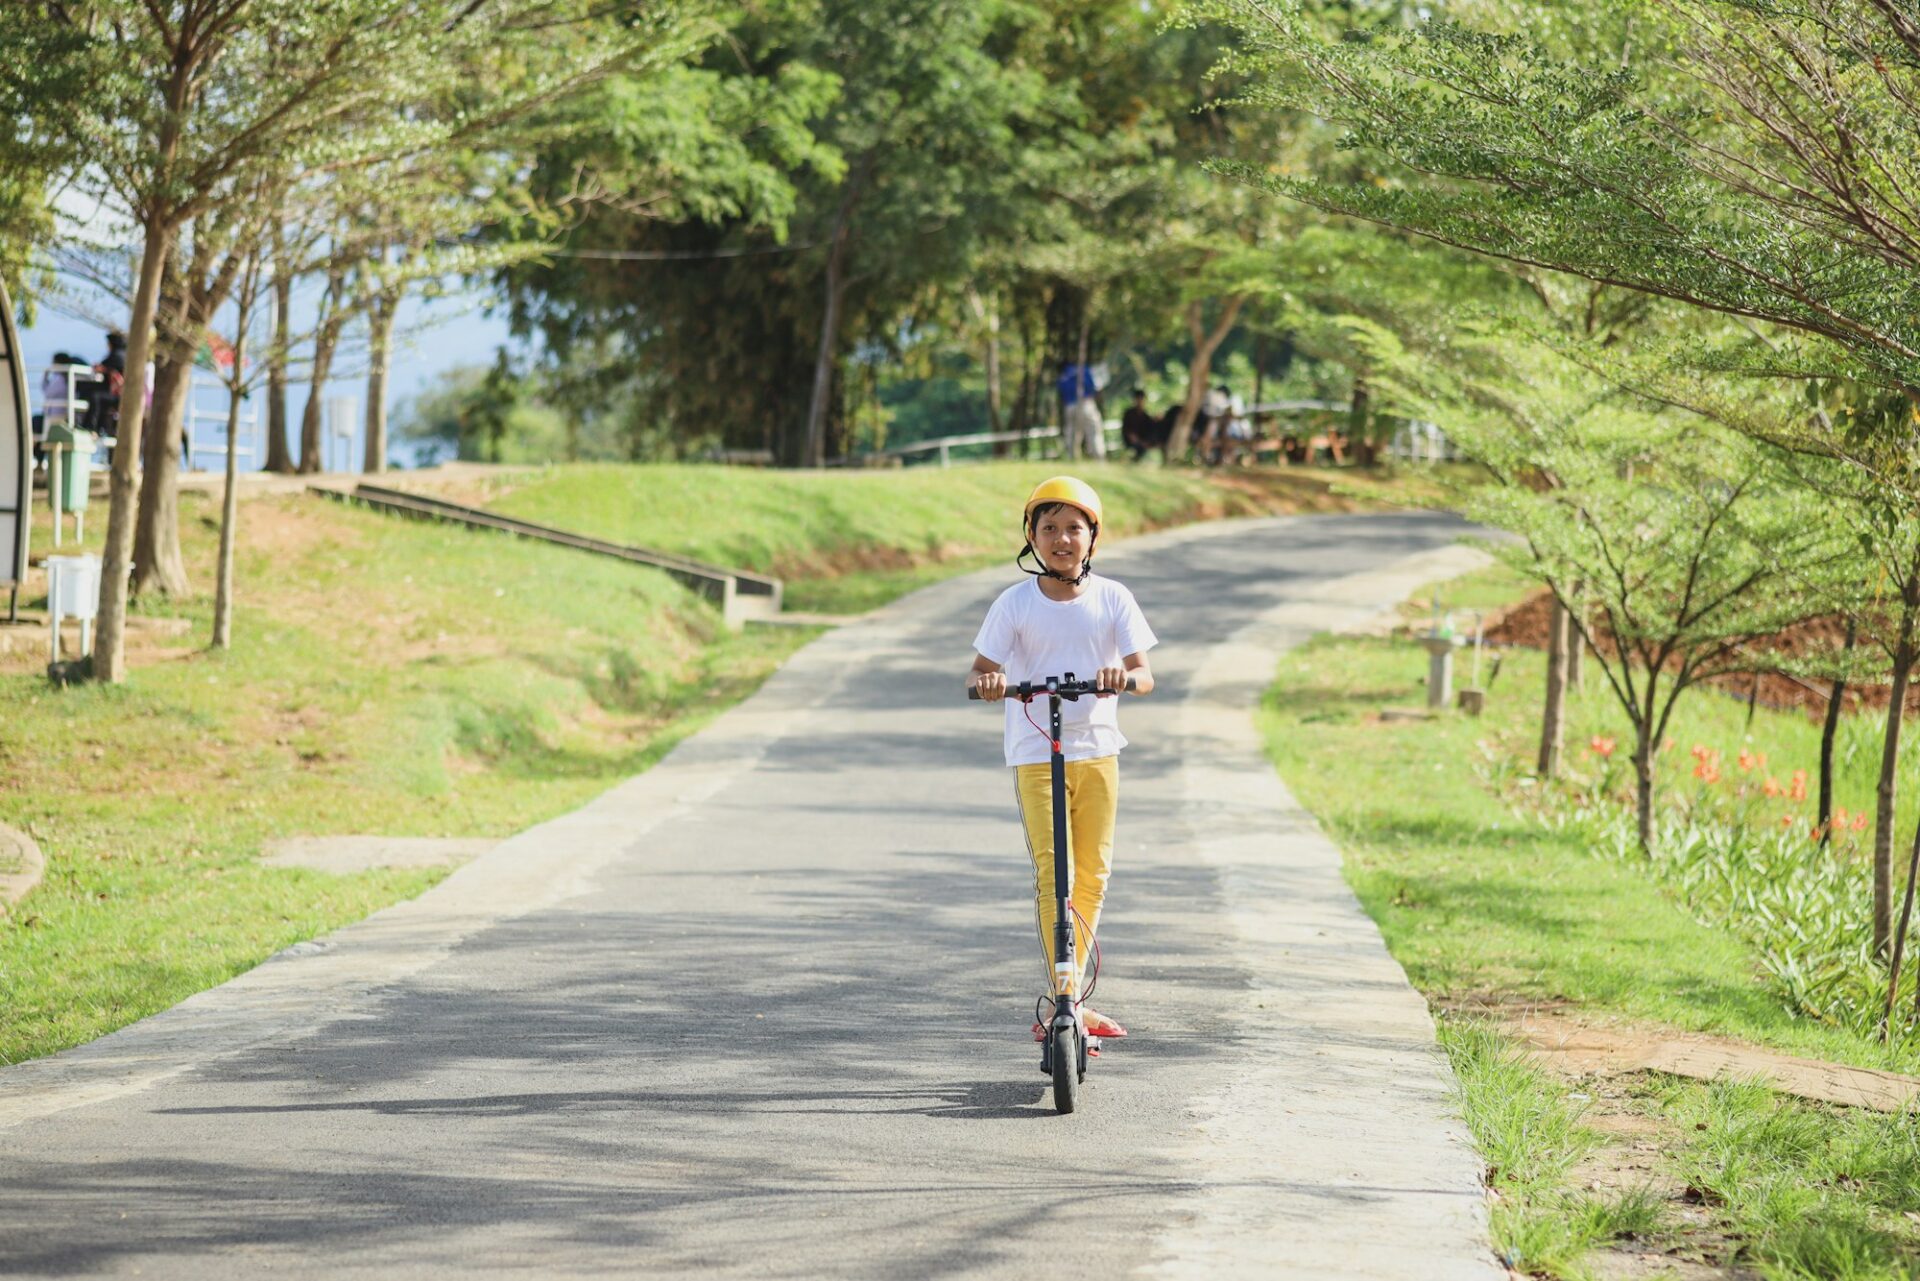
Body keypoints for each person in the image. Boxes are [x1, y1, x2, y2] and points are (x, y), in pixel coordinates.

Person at [966, 476, 1157, 1046]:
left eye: (1074, 528)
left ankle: (1072, 995)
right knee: (1056, 875)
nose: (1062, 539)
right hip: (1035, 751)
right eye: (1048, 528)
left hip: (1098, 750)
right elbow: (978, 674)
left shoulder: (1113, 598)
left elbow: (1145, 675)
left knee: (1092, 873)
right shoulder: (1014, 603)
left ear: (1092, 539)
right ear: (1031, 536)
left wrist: (1123, 675)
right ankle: (1064, 996)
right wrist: (993, 682)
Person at [1056, 361, 1106, 461]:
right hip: (1086, 404)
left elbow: (1061, 393)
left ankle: (1072, 458)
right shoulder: (1084, 370)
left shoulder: (1062, 377)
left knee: (1072, 434)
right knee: (1094, 432)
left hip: (1070, 406)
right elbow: (1093, 386)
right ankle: (1099, 459)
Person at [1119, 389, 1165, 462]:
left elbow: (1151, 425)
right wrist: (1140, 442)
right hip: (1132, 441)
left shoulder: (1145, 415)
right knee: (1140, 447)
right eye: (1138, 399)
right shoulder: (1129, 414)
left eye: (1141, 399)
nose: (1140, 401)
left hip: (1143, 440)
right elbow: (1129, 433)